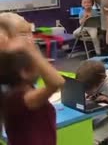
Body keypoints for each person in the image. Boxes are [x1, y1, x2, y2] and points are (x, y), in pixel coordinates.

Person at [0, 17, 65, 145]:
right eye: (36, 63)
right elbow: (57, 83)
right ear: (24, 72)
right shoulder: (22, 99)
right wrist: (31, 50)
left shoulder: (18, 90)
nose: (42, 66)